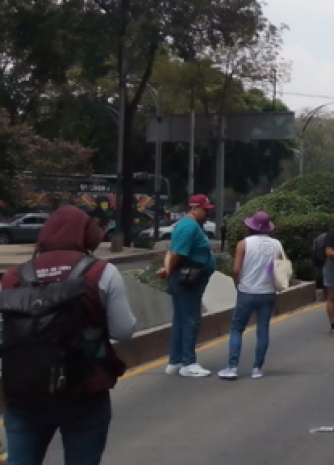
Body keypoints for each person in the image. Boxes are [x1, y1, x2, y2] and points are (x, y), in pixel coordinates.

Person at [0, 206, 135, 465]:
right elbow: (123, 331)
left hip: (24, 394)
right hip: (84, 390)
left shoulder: (12, 277)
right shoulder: (102, 272)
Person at [219, 212, 286, 379]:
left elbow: (235, 270)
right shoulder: (277, 244)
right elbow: (281, 267)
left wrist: (237, 284)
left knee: (237, 329)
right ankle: (257, 368)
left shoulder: (243, 244)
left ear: (251, 227)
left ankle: (232, 367)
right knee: (263, 330)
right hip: (268, 292)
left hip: (247, 291)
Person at [158, 194, 217, 376]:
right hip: (187, 279)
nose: (207, 214)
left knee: (181, 319)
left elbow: (172, 251)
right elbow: (176, 253)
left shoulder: (188, 225)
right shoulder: (189, 227)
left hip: (185, 278)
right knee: (191, 320)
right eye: (204, 210)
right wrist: (168, 270)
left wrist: (167, 269)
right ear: (194, 208)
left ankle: (176, 361)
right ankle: (188, 363)